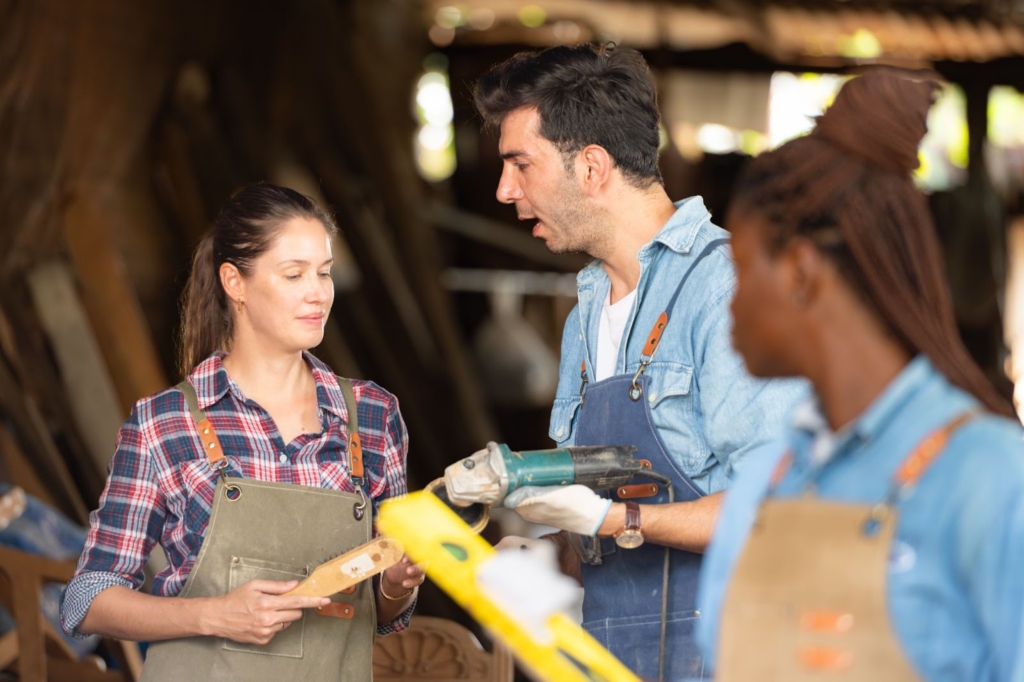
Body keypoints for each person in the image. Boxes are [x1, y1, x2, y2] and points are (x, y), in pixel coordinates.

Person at [472, 44, 805, 681]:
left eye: (520, 164)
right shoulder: (583, 318)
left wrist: (617, 518)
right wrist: (545, 558)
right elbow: (597, 540)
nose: (504, 189)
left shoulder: (729, 291)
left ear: (592, 166)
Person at [697, 71, 1024, 681]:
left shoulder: (991, 478)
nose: (731, 307)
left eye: (741, 271)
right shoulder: (769, 482)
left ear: (799, 271)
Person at [60, 183, 425, 681]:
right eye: (294, 274)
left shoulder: (372, 415)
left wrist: (397, 585)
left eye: (324, 272)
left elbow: (383, 616)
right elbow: (86, 598)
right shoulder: (165, 424)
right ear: (235, 282)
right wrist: (212, 615)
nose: (317, 292)